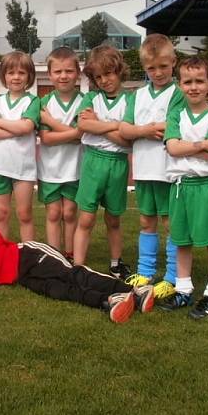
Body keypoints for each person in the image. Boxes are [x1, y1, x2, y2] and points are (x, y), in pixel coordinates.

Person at [0, 197, 153, 324]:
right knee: (58, 291)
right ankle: (107, 301)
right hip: (22, 278)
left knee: (72, 274)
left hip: (29, 256)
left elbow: (6, 252)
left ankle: (133, 291)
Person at [160, 56, 208, 319]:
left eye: (200, 81)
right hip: (179, 187)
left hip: (205, 186)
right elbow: (173, 147)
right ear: (180, 85)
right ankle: (184, 289)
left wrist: (185, 147)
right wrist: (200, 145)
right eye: (187, 81)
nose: (194, 86)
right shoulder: (175, 114)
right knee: (181, 242)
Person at [119, 34, 185, 299]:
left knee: (170, 223)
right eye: (151, 68)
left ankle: (171, 276)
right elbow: (124, 128)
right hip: (145, 170)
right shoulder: (137, 95)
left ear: (173, 63)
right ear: (144, 68)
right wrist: (145, 130)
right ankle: (145, 272)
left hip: (169, 170)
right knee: (146, 221)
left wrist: (139, 130)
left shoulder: (178, 94)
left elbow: (173, 126)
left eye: (163, 67)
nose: (157, 73)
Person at [73, 44, 132, 278]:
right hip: (93, 161)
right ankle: (78, 267)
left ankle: (116, 264)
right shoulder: (90, 97)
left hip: (117, 163)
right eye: (98, 76)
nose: (104, 80)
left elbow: (127, 141)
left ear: (119, 71)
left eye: (108, 73)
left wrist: (100, 123)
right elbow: (83, 124)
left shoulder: (131, 100)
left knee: (113, 218)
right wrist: (115, 125)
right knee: (86, 217)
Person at [0, 51, 40, 241]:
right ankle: (2, 256)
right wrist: (15, 129)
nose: (16, 77)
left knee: (24, 214)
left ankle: (28, 256)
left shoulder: (32, 101)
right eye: (11, 72)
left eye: (21, 73)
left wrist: (0, 122)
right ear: (4, 75)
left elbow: (27, 126)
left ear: (29, 76)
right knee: (1, 213)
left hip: (23, 167)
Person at [37, 47, 84, 262]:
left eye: (68, 71)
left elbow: (83, 136)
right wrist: (74, 133)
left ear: (78, 73)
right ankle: (55, 256)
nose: (63, 76)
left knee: (70, 213)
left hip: (75, 168)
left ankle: (72, 253)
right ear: (49, 75)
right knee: (54, 213)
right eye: (57, 71)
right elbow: (46, 139)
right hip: (50, 169)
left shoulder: (85, 101)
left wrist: (53, 124)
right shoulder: (44, 103)